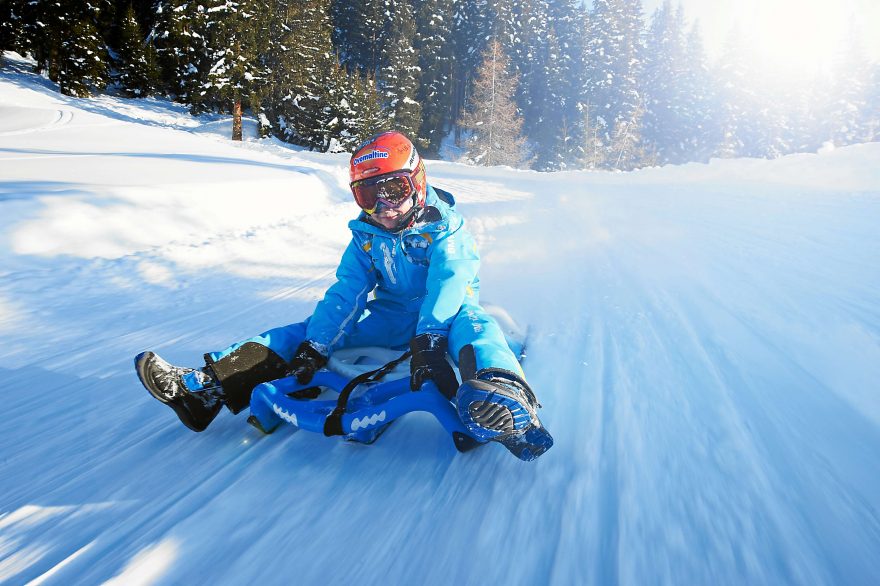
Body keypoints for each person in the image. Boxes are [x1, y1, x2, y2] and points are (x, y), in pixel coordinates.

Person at [135, 131, 552, 461]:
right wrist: (317, 345)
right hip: (389, 318)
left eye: (394, 189)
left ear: (418, 182)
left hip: (447, 313)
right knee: (298, 334)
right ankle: (205, 388)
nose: (384, 206)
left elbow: (449, 283)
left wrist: (429, 341)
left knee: (478, 328)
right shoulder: (367, 237)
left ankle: (502, 397)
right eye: (369, 195)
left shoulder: (447, 229)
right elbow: (346, 294)